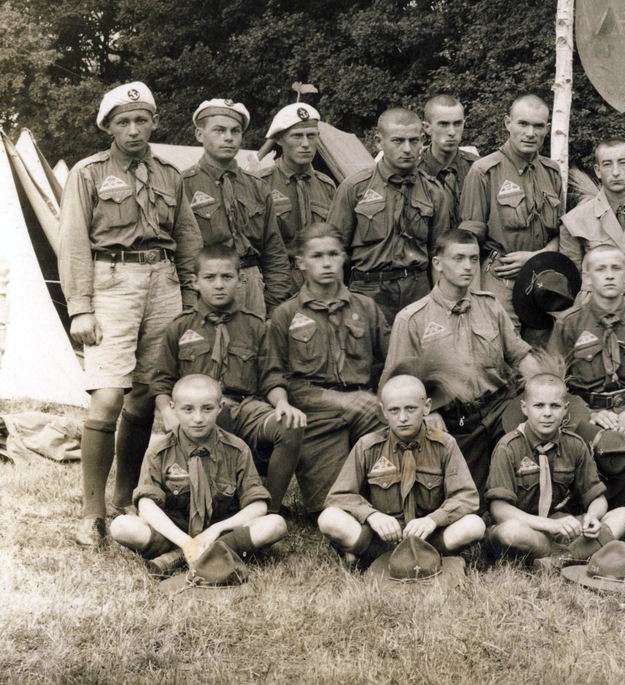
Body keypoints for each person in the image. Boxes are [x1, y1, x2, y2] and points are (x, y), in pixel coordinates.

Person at [60, 82, 200, 547]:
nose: (134, 129)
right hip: (111, 283)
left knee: (144, 397)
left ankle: (125, 499)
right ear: (109, 127)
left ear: (154, 122)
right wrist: (80, 308)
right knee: (107, 398)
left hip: (163, 283)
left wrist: (192, 294)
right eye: (123, 122)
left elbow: (187, 237)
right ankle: (91, 513)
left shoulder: (170, 174)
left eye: (142, 120)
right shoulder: (89, 173)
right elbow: (73, 242)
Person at [148, 245, 304, 513]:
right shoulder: (180, 327)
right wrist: (167, 412)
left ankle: (269, 507)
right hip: (201, 410)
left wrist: (282, 404)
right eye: (210, 278)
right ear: (195, 282)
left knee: (289, 425)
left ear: (241, 279)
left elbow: (272, 376)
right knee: (210, 415)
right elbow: (162, 382)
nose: (219, 285)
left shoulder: (256, 326)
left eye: (227, 277)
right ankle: (218, 505)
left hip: (245, 409)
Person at [383, 229, 532, 489]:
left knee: (527, 475)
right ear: (438, 263)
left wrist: (544, 390)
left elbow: (521, 356)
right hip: (455, 420)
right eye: (459, 258)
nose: (468, 266)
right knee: (469, 496)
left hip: (499, 411)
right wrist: (429, 411)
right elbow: (396, 383)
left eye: (474, 259)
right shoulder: (412, 318)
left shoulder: (490, 305)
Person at [259, 224, 388, 512]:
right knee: (330, 507)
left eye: (333, 254)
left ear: (344, 257)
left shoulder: (365, 307)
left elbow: (392, 359)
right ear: (301, 263)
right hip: (317, 417)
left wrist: (384, 398)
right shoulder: (286, 314)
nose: (327, 263)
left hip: (366, 410)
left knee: (390, 491)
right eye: (317, 256)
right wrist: (337, 399)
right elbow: (274, 376)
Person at [110, 374, 288, 574]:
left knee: (276, 524)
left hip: (220, 533)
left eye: (207, 408)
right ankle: (204, 553)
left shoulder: (237, 449)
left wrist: (216, 530)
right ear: (173, 408)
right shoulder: (159, 451)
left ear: (220, 408)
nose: (198, 418)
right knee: (121, 526)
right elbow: (146, 505)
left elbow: (258, 505)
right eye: (188, 409)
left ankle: (178, 557)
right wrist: (184, 541)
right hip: (173, 534)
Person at [318, 374, 485, 567]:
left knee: (475, 525)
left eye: (411, 409)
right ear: (384, 412)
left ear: (426, 407)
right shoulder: (367, 446)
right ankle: (376, 554)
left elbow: (466, 497)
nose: (403, 418)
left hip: (428, 538)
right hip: (381, 539)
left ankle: (418, 555)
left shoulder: (445, 445)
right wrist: (372, 515)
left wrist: (432, 520)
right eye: (394, 410)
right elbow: (338, 497)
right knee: (329, 519)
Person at [484, 358, 620, 560]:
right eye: (539, 405)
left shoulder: (575, 444)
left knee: (622, 515)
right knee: (510, 532)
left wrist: (592, 516)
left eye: (555, 406)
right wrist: (550, 525)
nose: (547, 413)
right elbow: (499, 510)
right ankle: (572, 554)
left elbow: (596, 496)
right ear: (524, 408)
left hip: (560, 525)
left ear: (565, 409)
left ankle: (553, 557)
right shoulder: (508, 447)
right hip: (526, 528)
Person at [330, 108, 452, 326]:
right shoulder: (355, 188)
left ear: (422, 141)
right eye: (398, 141)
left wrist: (441, 304)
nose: (407, 149)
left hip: (418, 292)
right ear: (379, 142)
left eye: (413, 141)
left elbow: (439, 254)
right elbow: (335, 251)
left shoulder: (434, 191)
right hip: (368, 293)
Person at [459, 95, 565, 324]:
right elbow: (469, 241)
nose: (530, 133)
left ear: (547, 129)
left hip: (544, 280)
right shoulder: (484, 171)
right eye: (523, 124)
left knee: (544, 343)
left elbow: (562, 233)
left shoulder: (552, 172)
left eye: (538, 126)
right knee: (501, 343)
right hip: (500, 279)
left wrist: (536, 257)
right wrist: (473, 298)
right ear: (508, 123)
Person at [180, 99, 293, 314]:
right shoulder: (183, 184)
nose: (229, 137)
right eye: (219, 130)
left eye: (235, 131)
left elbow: (273, 250)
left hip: (251, 283)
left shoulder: (257, 186)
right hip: (206, 286)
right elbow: (180, 250)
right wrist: (189, 301)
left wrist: (275, 301)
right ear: (199, 134)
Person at [548, 246, 625, 434]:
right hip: (582, 423)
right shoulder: (568, 324)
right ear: (587, 278)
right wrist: (589, 414)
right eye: (600, 269)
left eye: (616, 268)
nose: (609, 276)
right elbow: (552, 387)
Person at [559, 136, 625, 319]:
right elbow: (571, 280)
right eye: (607, 164)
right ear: (597, 171)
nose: (616, 172)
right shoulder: (576, 220)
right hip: (594, 314)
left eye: (623, 163)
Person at [256, 102, 338, 258]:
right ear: (279, 139)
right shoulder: (261, 183)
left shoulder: (327, 185)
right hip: (278, 270)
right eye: (297, 136)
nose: (306, 144)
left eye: (311, 136)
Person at [419, 94, 479, 227]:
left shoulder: (479, 169)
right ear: (427, 128)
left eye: (457, 123)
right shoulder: (413, 172)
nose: (452, 132)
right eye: (443, 124)